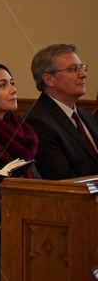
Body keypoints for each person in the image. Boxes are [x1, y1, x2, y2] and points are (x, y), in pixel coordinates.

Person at [24, 44, 97, 179]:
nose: (83, 74)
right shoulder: (36, 121)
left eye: (82, 67)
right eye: (74, 69)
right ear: (49, 79)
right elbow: (62, 180)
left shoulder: (88, 117)